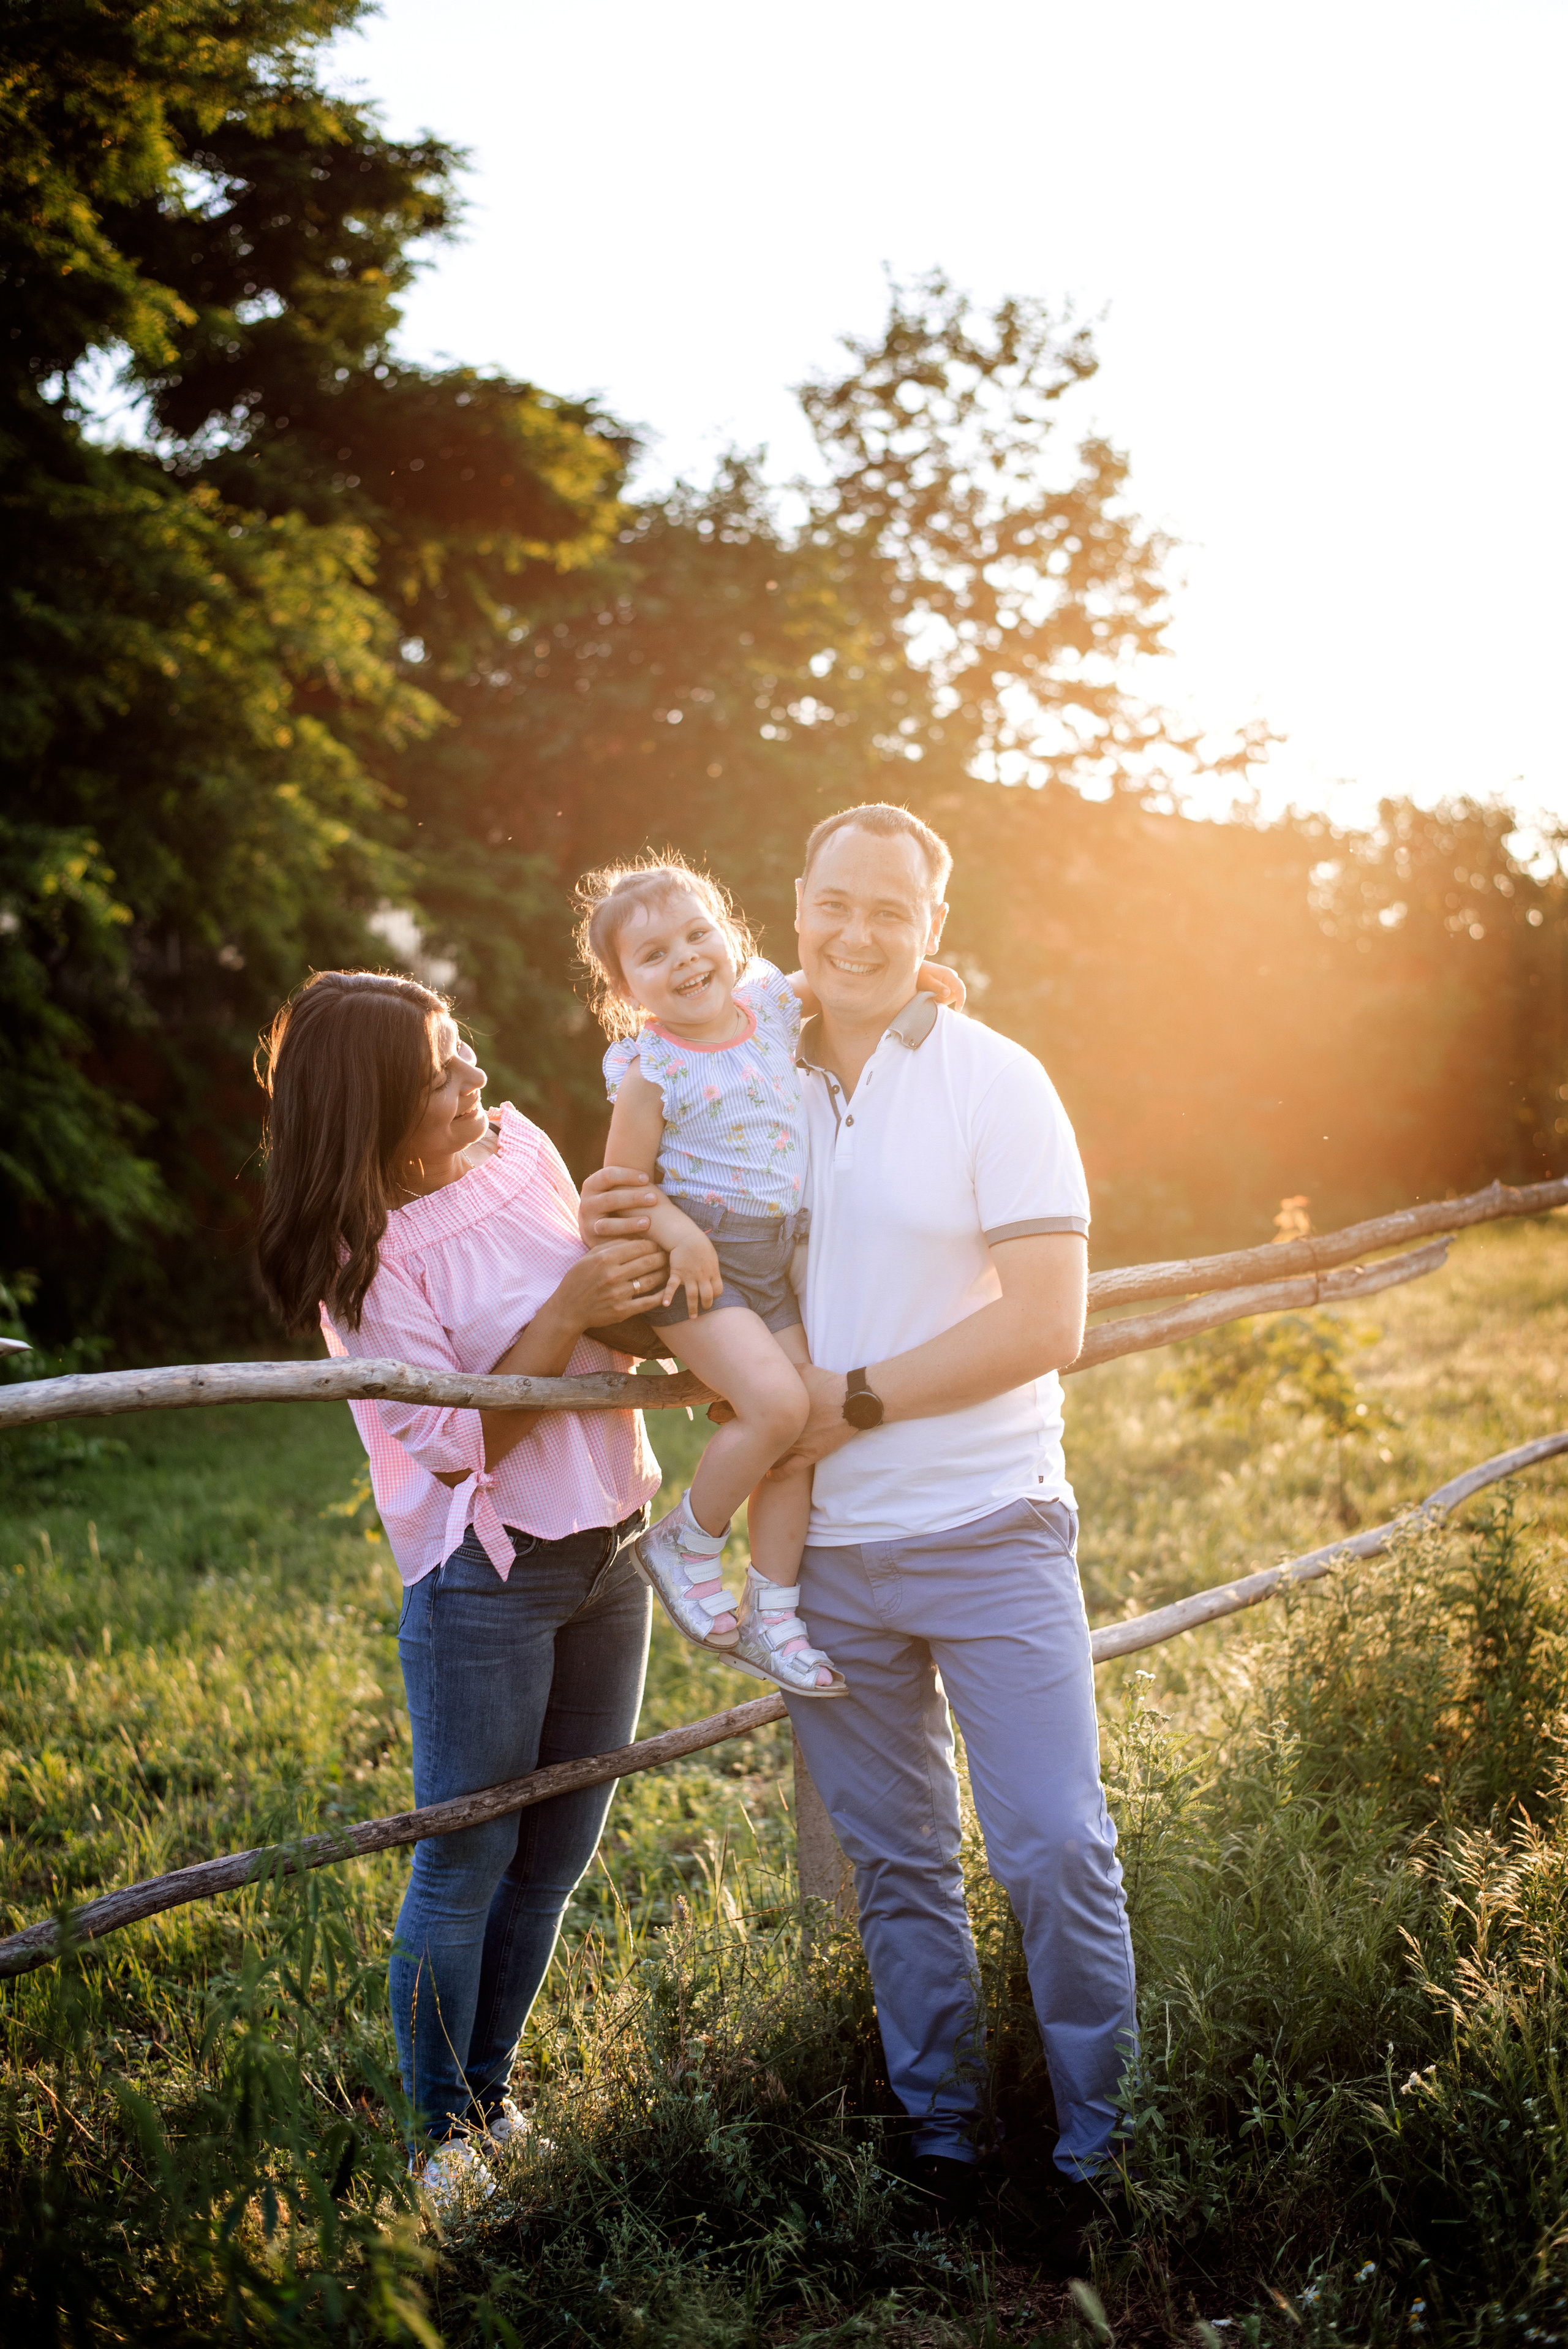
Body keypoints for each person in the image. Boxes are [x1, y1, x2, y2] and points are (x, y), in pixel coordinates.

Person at [587, 806, 1136, 2269]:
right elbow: (630, 1186)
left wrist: (852, 1401)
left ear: (931, 927)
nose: (857, 934)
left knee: (1049, 1846)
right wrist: (631, 1211)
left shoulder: (995, 1079)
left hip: (988, 1527)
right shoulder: (741, 1047)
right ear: (795, 906)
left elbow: (1047, 1321)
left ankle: (1094, 2153)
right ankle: (943, 2144)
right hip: (818, 1560)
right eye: (833, 902)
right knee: (897, 1865)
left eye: (890, 911)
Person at [255, 968, 666, 2210]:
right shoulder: (362, 1268)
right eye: (439, 1073)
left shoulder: (524, 1147)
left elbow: (615, 1311)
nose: (473, 1075)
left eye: (460, 1050)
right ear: (371, 1111)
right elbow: (455, 1439)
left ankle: (494, 2096)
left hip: (614, 1545)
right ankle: (445, 2141)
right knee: (466, 1861)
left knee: (557, 1857)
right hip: (486, 1581)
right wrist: (572, 1306)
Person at [574, 855, 963, 1700]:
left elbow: (832, 980)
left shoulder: (773, 1006)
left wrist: (912, 972)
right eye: (653, 955)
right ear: (625, 988)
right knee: (782, 1406)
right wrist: (680, 1234)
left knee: (798, 1436)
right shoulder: (651, 1071)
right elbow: (622, 1192)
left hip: (775, 1253)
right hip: (696, 1269)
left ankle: (772, 1612)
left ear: (729, 936)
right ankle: (686, 1540)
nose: (683, 959)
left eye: (696, 934)